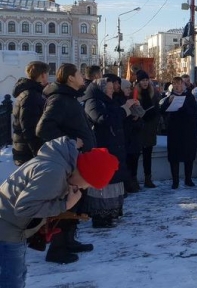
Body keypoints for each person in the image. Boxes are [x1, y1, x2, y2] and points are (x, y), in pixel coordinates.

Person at [0, 136, 118, 288]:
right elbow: (24, 208)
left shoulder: (61, 166)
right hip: (6, 230)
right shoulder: (54, 172)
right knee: (11, 281)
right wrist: (65, 205)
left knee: (18, 276)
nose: (84, 188)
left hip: (12, 228)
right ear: (84, 173)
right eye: (89, 184)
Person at [36, 63, 97, 264]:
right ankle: (57, 249)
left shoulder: (69, 97)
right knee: (66, 202)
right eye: (79, 74)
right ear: (71, 78)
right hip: (68, 162)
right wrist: (70, 142)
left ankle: (69, 240)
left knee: (76, 201)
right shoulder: (60, 99)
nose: (82, 77)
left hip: (77, 161)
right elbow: (43, 129)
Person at [82, 77, 137, 228]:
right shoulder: (93, 102)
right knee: (103, 183)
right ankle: (101, 216)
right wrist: (124, 109)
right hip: (102, 147)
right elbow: (102, 119)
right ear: (102, 89)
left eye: (113, 89)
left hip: (112, 146)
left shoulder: (107, 101)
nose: (112, 91)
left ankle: (111, 213)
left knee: (112, 182)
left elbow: (116, 118)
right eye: (110, 88)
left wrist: (130, 111)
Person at [159, 76, 197, 189]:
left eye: (180, 84)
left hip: (188, 130)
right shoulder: (169, 96)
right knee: (174, 156)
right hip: (174, 130)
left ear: (184, 85)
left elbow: (195, 112)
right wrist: (169, 102)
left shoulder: (190, 97)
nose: (178, 86)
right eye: (175, 84)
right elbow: (162, 111)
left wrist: (184, 106)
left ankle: (188, 179)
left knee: (189, 155)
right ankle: (175, 181)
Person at [12, 61, 49, 166]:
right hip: (28, 154)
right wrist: (39, 154)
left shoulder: (31, 93)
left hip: (25, 150)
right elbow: (29, 128)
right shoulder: (31, 96)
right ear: (42, 75)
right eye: (46, 73)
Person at [135, 70, 161, 188]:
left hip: (150, 128)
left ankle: (148, 179)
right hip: (138, 128)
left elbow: (157, 108)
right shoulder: (135, 93)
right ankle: (133, 179)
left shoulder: (153, 93)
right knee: (134, 155)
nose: (145, 83)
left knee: (148, 155)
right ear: (138, 82)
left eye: (146, 80)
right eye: (142, 80)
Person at [121, 79, 146, 193]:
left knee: (134, 161)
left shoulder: (133, 100)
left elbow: (141, 116)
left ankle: (133, 181)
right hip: (126, 138)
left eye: (129, 88)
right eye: (126, 87)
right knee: (126, 162)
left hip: (135, 137)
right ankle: (127, 184)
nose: (129, 90)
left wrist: (138, 117)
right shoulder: (121, 101)